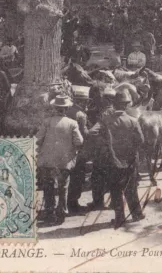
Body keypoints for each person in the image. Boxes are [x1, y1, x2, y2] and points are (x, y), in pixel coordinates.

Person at [99, 91, 146, 227]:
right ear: (126, 105)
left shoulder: (107, 121)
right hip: (130, 160)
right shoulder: (133, 121)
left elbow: (102, 140)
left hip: (113, 160)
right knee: (131, 188)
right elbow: (141, 140)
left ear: (114, 104)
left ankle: (120, 218)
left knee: (115, 189)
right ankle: (137, 214)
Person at [36, 95, 84, 225]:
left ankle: (50, 212)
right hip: (64, 161)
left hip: (48, 161)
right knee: (63, 187)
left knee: (48, 186)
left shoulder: (47, 122)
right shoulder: (72, 123)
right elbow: (79, 141)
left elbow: (38, 139)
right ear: (67, 108)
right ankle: (62, 212)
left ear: (54, 108)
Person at [86, 88, 115, 210]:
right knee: (113, 176)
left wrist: (87, 131)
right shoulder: (118, 112)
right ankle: (114, 202)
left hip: (103, 151)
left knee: (97, 176)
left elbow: (93, 131)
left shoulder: (105, 114)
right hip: (116, 151)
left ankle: (98, 203)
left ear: (106, 100)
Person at [66, 86, 91, 214]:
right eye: (86, 101)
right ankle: (73, 204)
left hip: (66, 148)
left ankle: (67, 203)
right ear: (83, 102)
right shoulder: (81, 115)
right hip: (78, 150)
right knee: (78, 177)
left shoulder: (68, 110)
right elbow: (84, 133)